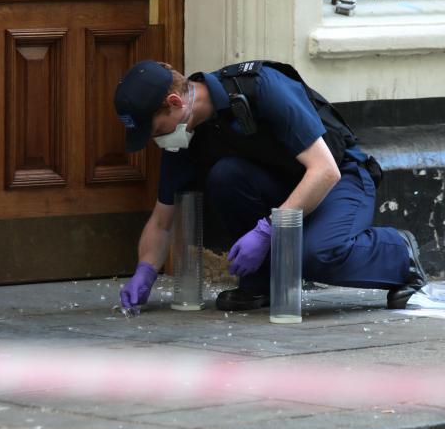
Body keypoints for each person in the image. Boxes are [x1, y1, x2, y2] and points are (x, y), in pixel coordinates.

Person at [113, 59, 427, 313]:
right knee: (225, 175)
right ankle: (261, 283)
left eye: (155, 130)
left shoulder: (261, 88)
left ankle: (398, 254)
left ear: (174, 102)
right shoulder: (184, 139)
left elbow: (324, 170)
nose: (156, 140)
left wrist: (267, 231)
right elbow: (161, 220)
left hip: (340, 179)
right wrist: (145, 271)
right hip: (286, 188)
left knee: (312, 256)